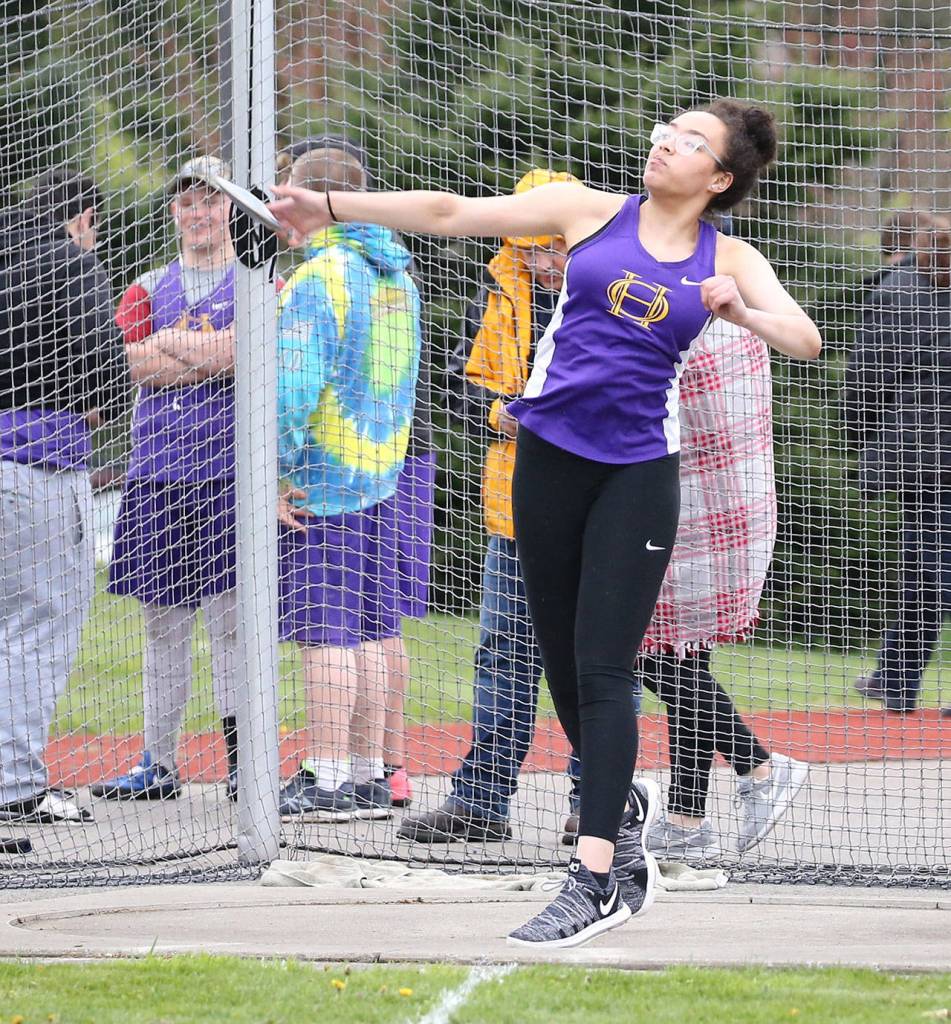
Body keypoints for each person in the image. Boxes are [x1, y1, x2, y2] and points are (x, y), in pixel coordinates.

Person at [269, 99, 822, 949]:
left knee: (604, 668)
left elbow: (804, 338)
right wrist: (330, 205)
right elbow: (449, 212)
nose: (663, 145)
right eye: (664, 132)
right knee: (562, 668)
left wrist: (741, 312)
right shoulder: (585, 211)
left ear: (718, 177)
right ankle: (618, 800)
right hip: (546, 462)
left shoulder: (728, 257)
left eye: (688, 142)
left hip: (637, 476)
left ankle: (597, 878)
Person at [399, 168, 587, 844]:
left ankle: (597, 803)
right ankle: (481, 802)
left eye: (550, 249)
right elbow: (467, 383)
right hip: (515, 502)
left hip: (597, 501)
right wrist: (497, 411)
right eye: (528, 250)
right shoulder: (505, 286)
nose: (541, 265)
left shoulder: (611, 285)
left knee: (595, 657)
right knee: (503, 652)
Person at [274, 146, 423, 821]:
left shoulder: (321, 276)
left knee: (325, 633)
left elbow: (292, 388)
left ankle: (327, 775)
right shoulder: (396, 275)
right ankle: (368, 774)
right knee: (372, 627)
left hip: (323, 479)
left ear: (307, 200)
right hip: (382, 473)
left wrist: (276, 471)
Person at [92, 157, 242, 802]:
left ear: (231, 207)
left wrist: (172, 344)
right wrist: (207, 353)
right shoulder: (148, 286)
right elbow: (125, 363)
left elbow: (248, 353)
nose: (197, 212)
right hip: (157, 473)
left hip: (232, 475)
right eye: (186, 202)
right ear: (173, 211)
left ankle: (244, 764)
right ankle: (158, 763)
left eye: (210, 199)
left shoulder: (260, 281)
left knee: (233, 624)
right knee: (163, 626)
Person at [634, 317, 807, 861]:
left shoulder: (690, 320)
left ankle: (760, 767)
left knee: (646, 654)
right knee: (682, 660)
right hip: (726, 508)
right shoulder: (736, 322)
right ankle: (687, 821)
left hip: (688, 512)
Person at [0, 168, 130, 823]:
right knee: (38, 628)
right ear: (83, 218)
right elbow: (109, 368)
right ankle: (15, 787)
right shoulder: (67, 260)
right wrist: (103, 403)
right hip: (35, 465)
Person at [845, 216, 951, 715]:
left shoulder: (897, 294)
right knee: (929, 568)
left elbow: (867, 380)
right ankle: (894, 676)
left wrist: (863, 441)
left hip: (923, 454)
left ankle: (897, 679)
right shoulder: (902, 292)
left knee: (926, 568)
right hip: (927, 451)